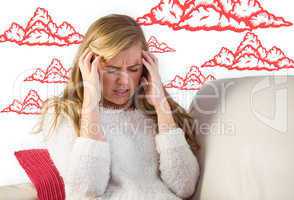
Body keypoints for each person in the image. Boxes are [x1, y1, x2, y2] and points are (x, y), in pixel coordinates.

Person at [31, 13, 200, 200]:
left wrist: (162, 107)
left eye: (134, 69)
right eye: (112, 70)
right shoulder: (63, 114)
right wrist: (91, 103)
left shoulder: (154, 113)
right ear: (88, 66)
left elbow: (185, 187)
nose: (124, 81)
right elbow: (86, 190)